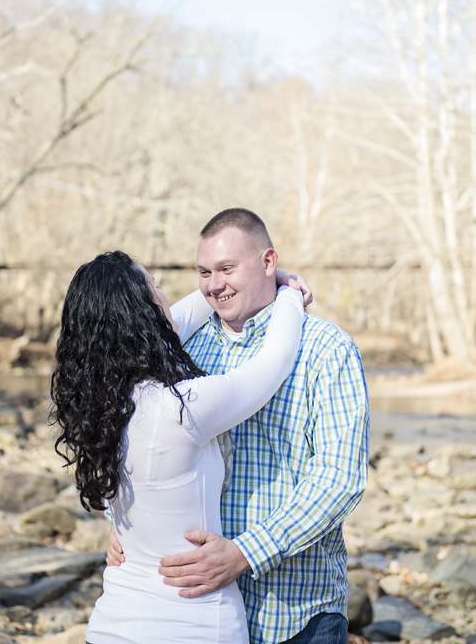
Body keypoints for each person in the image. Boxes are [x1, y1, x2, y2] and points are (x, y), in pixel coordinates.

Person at [107, 208, 370, 644]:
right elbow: (133, 437)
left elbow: (339, 479)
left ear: (268, 262)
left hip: (296, 612)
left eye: (227, 268)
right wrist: (120, 519)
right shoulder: (181, 348)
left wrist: (247, 552)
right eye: (204, 272)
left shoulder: (327, 349)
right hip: (198, 614)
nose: (214, 284)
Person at [50, 249, 307, 644]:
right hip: (194, 627)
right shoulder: (184, 407)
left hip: (111, 626)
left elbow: (181, 319)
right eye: (156, 286)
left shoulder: (100, 405)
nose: (167, 295)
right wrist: (288, 292)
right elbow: (276, 360)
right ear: (145, 311)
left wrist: (262, 279)